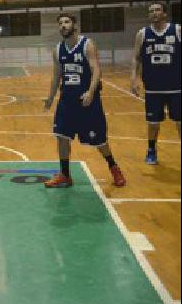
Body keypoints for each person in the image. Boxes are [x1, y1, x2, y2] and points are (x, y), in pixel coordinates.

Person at [43, 13, 126, 188]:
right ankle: (65, 175)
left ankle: (114, 167)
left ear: (74, 25)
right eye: (60, 23)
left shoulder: (87, 44)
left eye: (66, 22)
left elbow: (96, 70)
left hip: (87, 101)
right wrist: (50, 98)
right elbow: (56, 75)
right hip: (67, 101)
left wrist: (90, 91)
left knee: (100, 141)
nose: (63, 25)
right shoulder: (57, 49)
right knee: (61, 136)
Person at [129, 2, 181, 165]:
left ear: (164, 13)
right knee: (153, 123)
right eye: (151, 11)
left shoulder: (177, 30)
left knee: (180, 122)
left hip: (176, 87)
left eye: (157, 10)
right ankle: (151, 150)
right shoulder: (142, 34)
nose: (154, 13)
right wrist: (134, 78)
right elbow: (136, 57)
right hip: (153, 88)